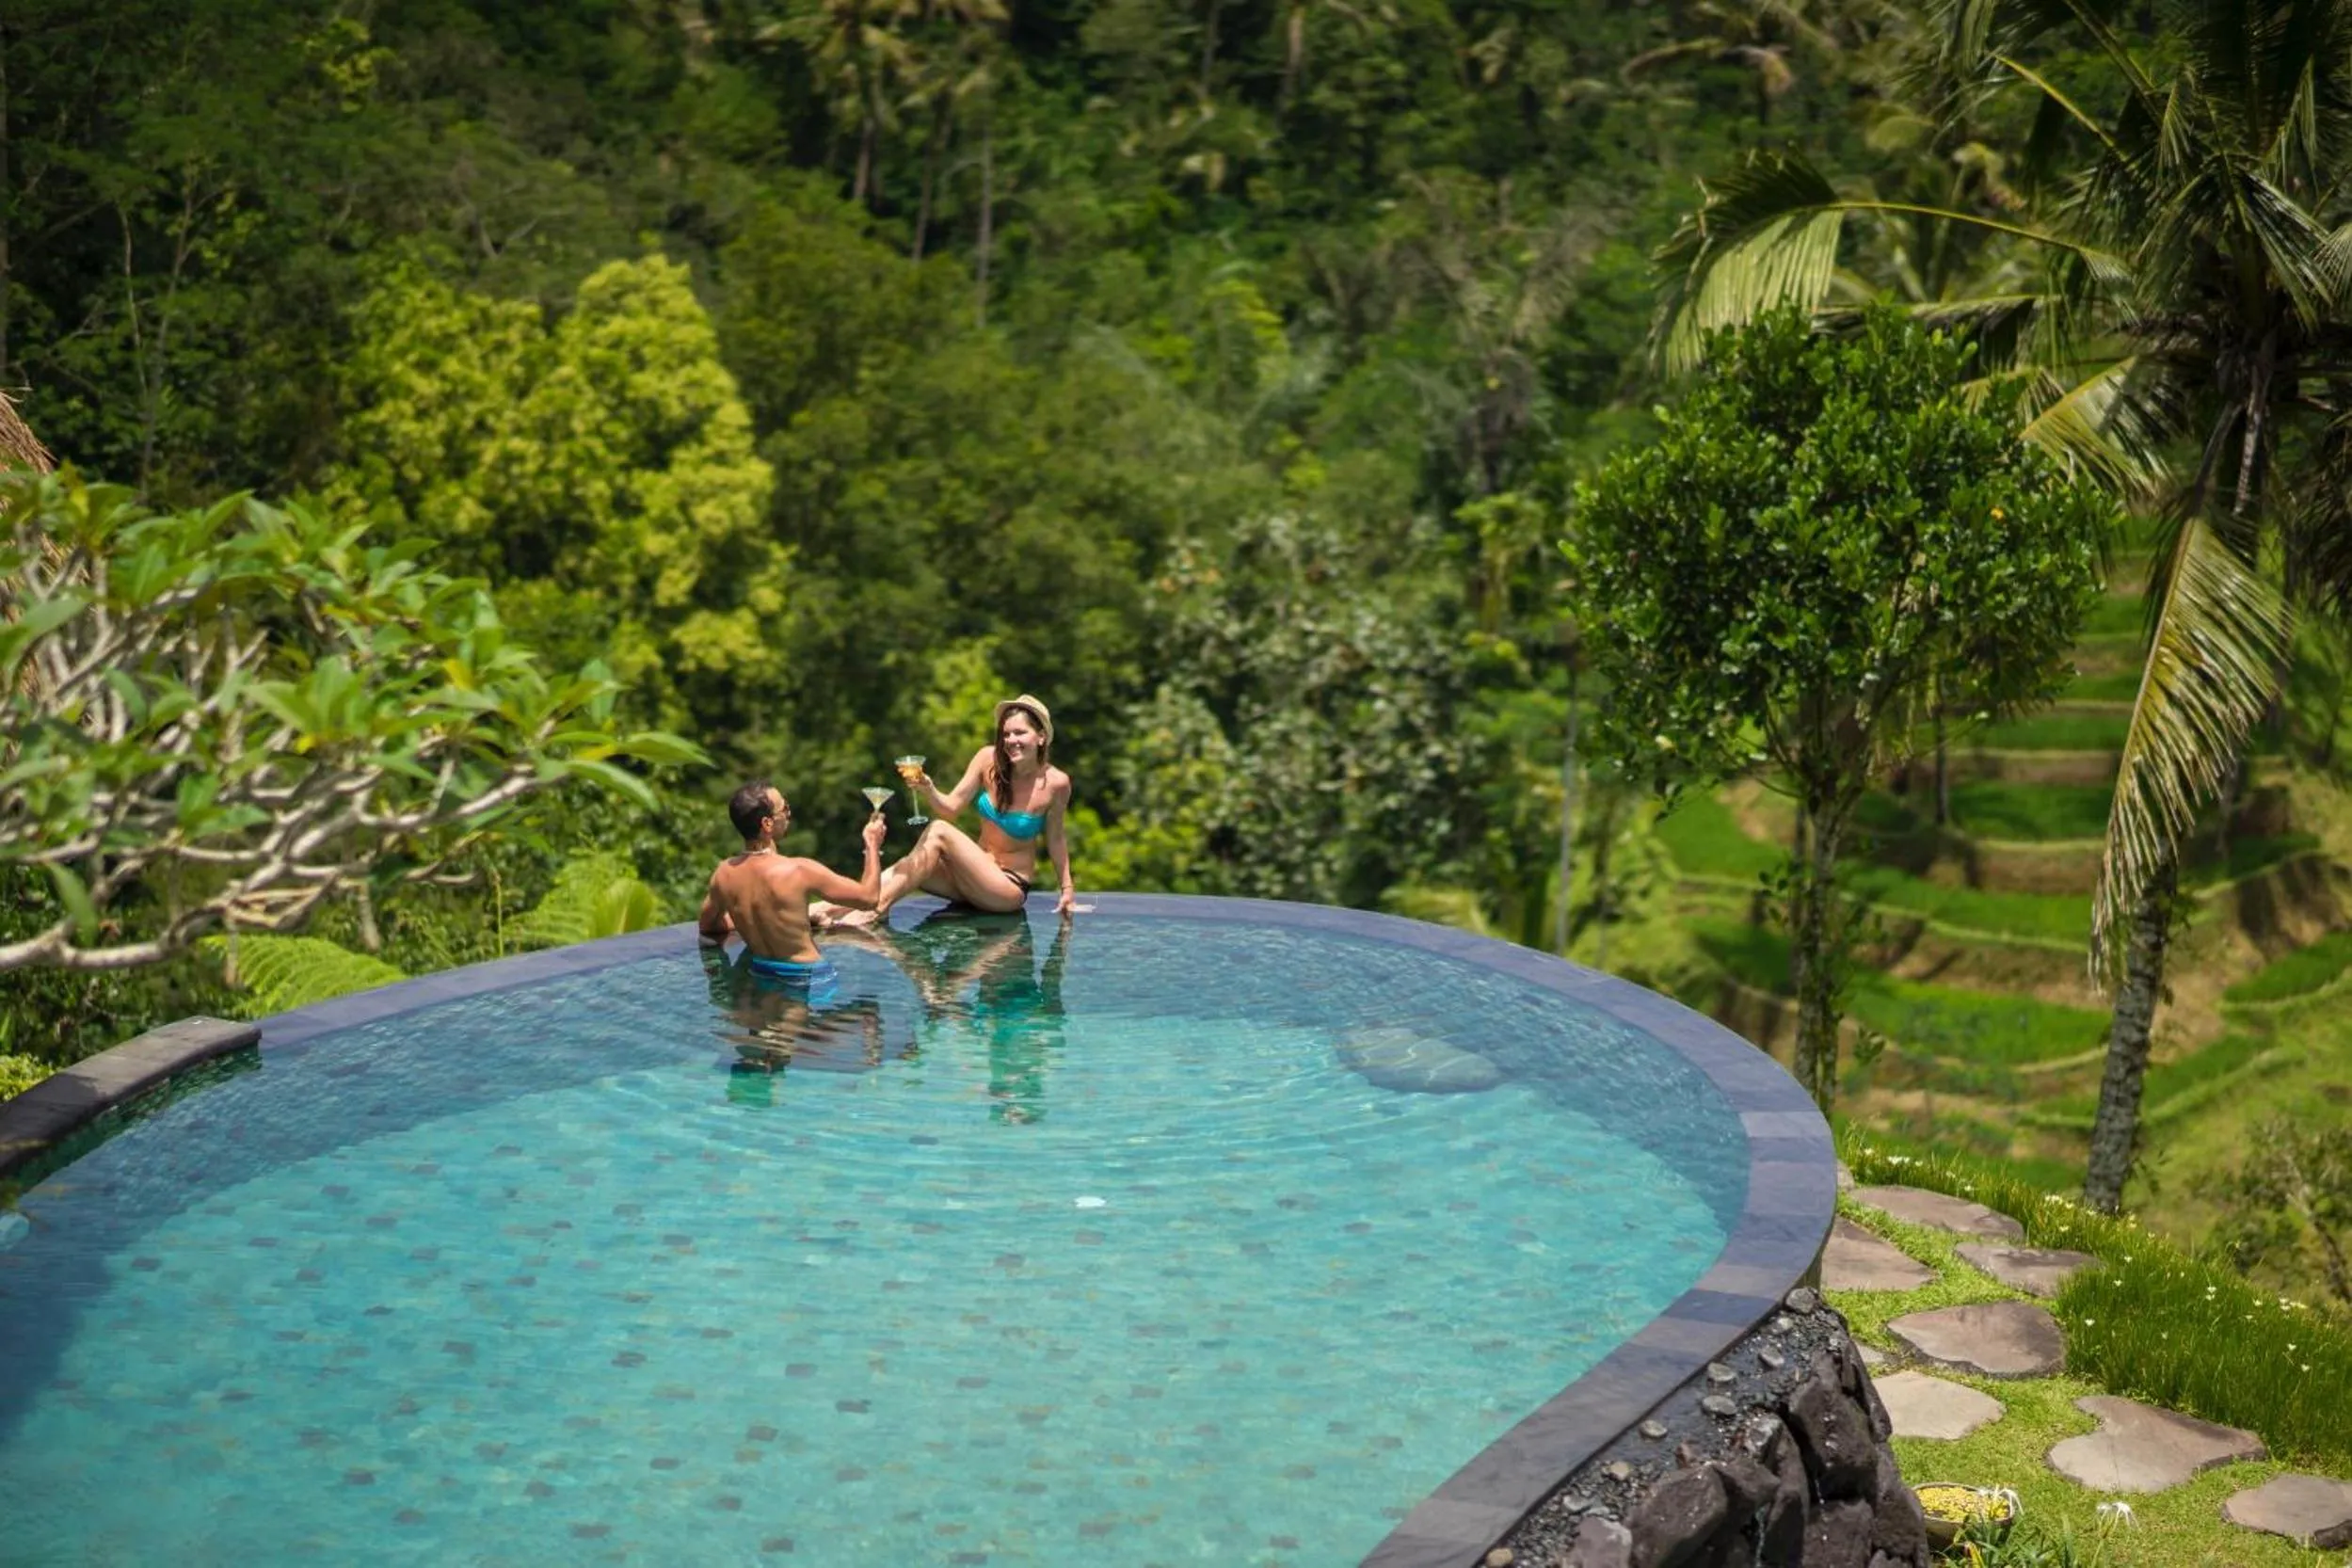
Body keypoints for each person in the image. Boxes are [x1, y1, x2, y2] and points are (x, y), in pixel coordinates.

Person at [827, 694, 1076, 924]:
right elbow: (951, 809)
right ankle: (823, 910)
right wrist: (929, 789)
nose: (1011, 741)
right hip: (971, 879)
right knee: (909, 866)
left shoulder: (1056, 783)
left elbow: (1055, 838)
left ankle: (876, 910)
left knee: (938, 831)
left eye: (1020, 733)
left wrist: (1066, 889)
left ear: (1041, 737)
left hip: (1006, 888)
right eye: (1006, 734)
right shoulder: (987, 759)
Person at [698, 780, 887, 998]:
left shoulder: (723, 874)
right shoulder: (798, 870)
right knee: (868, 1013)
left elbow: (708, 926)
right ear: (767, 824)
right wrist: (872, 844)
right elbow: (869, 898)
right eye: (784, 808)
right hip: (809, 976)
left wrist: (751, 919)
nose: (788, 813)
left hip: (762, 973)